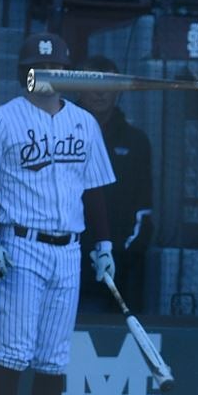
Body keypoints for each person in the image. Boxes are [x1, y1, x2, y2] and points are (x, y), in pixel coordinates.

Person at [0, 33, 116, 395]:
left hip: (68, 249)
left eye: (53, 69)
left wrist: (103, 245)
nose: (44, 77)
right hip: (20, 244)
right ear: (22, 73)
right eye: (36, 68)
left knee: (53, 358)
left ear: (65, 74)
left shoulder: (84, 122)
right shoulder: (1, 119)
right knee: (14, 350)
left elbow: (95, 191)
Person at [74, 56, 154, 314]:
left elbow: (144, 209)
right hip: (66, 260)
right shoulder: (59, 132)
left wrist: (118, 253)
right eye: (91, 84)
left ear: (119, 90)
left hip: (118, 266)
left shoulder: (136, 141)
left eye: (107, 84)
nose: (99, 92)